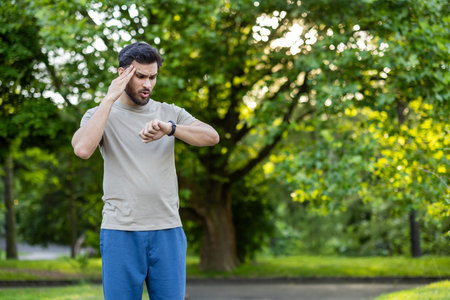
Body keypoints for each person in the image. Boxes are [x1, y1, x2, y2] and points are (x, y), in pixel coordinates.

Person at [71, 42, 219, 300]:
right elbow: (83, 149)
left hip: (167, 230)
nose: (147, 84)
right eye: (140, 76)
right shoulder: (99, 115)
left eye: (152, 77)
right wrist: (109, 98)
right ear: (122, 74)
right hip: (121, 231)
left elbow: (211, 136)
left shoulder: (169, 113)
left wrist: (170, 128)